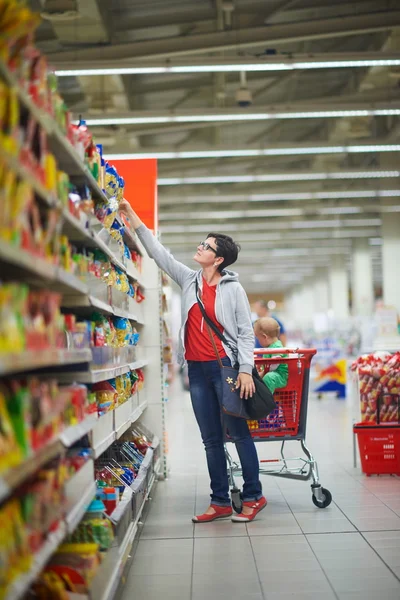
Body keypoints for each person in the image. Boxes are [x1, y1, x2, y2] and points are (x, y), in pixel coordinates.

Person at [119, 199, 267, 524]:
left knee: (238, 433)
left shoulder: (233, 289)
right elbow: (160, 255)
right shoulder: (189, 280)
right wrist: (132, 216)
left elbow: (245, 333)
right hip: (197, 372)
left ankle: (254, 495)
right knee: (211, 439)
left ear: (219, 258)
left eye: (207, 246)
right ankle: (220, 501)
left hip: (226, 369)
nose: (199, 248)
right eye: (202, 243)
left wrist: (244, 370)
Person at [254, 317, 288, 393]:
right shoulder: (269, 347)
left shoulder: (277, 347)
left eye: (258, 338)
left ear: (264, 337)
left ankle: (265, 401)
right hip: (273, 374)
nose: (258, 341)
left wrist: (262, 374)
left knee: (269, 377)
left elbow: (274, 365)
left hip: (280, 376)